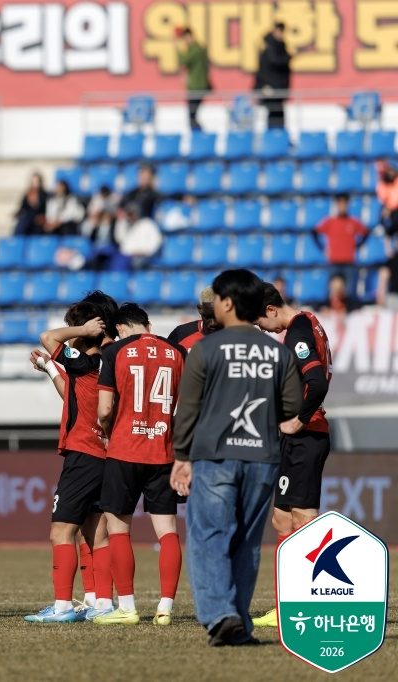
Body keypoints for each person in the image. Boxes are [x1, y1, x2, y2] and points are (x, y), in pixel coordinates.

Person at [170, 269, 303, 646]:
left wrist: (181, 457)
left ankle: (220, 615)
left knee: (209, 536)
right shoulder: (277, 351)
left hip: (215, 456)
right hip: (262, 458)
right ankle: (239, 624)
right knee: (246, 543)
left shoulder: (206, 349)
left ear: (227, 304)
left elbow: (187, 409)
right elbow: (292, 406)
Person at [92, 303, 185, 627]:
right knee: (168, 532)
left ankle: (128, 608)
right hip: (164, 452)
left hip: (125, 451)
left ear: (119, 328)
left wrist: (110, 433)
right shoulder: (177, 353)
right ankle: (166, 607)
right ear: (148, 324)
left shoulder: (114, 351)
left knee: (118, 530)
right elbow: (188, 408)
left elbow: (104, 410)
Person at [250, 281, 332, 629]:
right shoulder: (308, 322)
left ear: (271, 310)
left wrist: (299, 419)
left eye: (260, 321)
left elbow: (317, 381)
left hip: (306, 436)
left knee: (304, 518)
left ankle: (310, 603)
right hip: (301, 438)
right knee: (282, 520)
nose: (262, 329)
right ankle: (286, 605)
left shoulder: (297, 330)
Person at [24, 304, 113, 623]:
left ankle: (62, 607)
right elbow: (75, 396)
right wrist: (51, 368)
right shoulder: (106, 364)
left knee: (61, 531)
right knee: (96, 533)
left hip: (83, 454)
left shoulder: (86, 360)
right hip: (104, 455)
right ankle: (103, 604)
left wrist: (83, 330)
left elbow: (48, 337)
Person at [313, 194, 368, 288]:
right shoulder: (330, 221)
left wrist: (357, 245)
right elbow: (314, 232)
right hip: (334, 262)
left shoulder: (353, 222)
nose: (342, 206)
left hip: (349, 262)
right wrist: (322, 248)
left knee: (348, 290)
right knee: (332, 290)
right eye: (340, 204)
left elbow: (365, 233)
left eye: (344, 204)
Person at [255, 23, 291, 128]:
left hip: (279, 87)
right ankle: (273, 136)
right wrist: (264, 86)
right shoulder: (270, 47)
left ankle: (278, 135)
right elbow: (273, 63)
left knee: (278, 113)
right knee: (273, 113)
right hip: (271, 87)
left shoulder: (280, 46)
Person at [167, 286, 222, 352]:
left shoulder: (233, 335)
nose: (213, 323)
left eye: (217, 317)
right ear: (199, 309)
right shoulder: (180, 334)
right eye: (208, 317)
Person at [177, 28, 210, 130]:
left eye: (186, 38)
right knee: (192, 115)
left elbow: (183, 60)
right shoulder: (197, 48)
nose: (185, 41)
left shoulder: (195, 49)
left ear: (190, 36)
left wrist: (177, 49)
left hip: (197, 86)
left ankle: (198, 135)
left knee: (192, 115)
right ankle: (197, 133)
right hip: (197, 85)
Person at [114, 203, 163, 269]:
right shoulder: (127, 226)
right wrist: (121, 221)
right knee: (117, 261)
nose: (130, 217)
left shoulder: (147, 223)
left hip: (146, 256)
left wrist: (146, 252)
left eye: (132, 214)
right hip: (130, 257)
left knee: (137, 263)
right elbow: (121, 241)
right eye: (128, 214)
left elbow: (157, 240)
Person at [375, 162, 398, 233]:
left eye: (392, 171)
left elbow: (395, 199)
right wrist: (387, 207)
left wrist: (389, 206)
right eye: (389, 171)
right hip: (389, 208)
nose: (391, 173)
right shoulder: (382, 184)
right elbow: (382, 197)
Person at [376, 237, 398, 309]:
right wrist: (380, 295)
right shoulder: (392, 261)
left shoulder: (391, 260)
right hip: (394, 298)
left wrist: (380, 295)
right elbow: (384, 275)